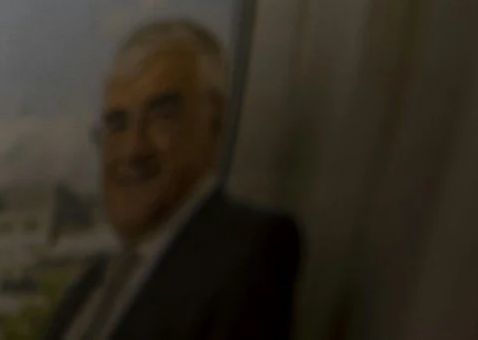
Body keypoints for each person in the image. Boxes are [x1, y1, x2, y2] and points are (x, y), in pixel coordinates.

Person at [42, 20, 299, 340]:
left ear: (215, 124)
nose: (133, 148)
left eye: (161, 115)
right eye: (117, 123)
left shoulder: (247, 250)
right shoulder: (89, 286)